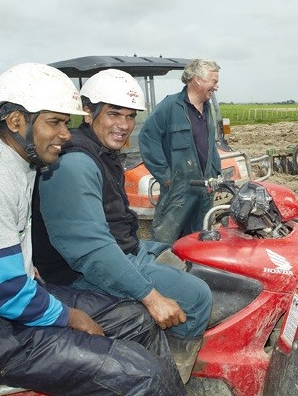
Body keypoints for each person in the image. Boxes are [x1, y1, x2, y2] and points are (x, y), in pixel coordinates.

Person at [0, 63, 186, 395]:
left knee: (137, 319)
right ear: (17, 121)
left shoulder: (16, 162)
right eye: (54, 122)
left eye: (67, 123)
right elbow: (2, 290)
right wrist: (70, 317)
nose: (66, 134)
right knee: (142, 374)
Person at [32, 68, 212, 383]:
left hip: (119, 246)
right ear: (88, 113)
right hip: (77, 274)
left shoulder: (101, 152)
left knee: (181, 252)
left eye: (129, 116)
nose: (124, 125)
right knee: (198, 297)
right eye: (114, 114)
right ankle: (170, 377)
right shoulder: (75, 163)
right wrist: (151, 297)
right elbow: (90, 251)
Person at [138, 59, 222, 243]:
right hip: (178, 188)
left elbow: (209, 145)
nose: (216, 86)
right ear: (198, 80)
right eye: (214, 81)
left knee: (200, 238)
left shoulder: (208, 109)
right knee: (165, 240)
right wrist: (165, 176)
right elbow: (147, 138)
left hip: (204, 188)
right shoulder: (170, 106)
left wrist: (216, 172)